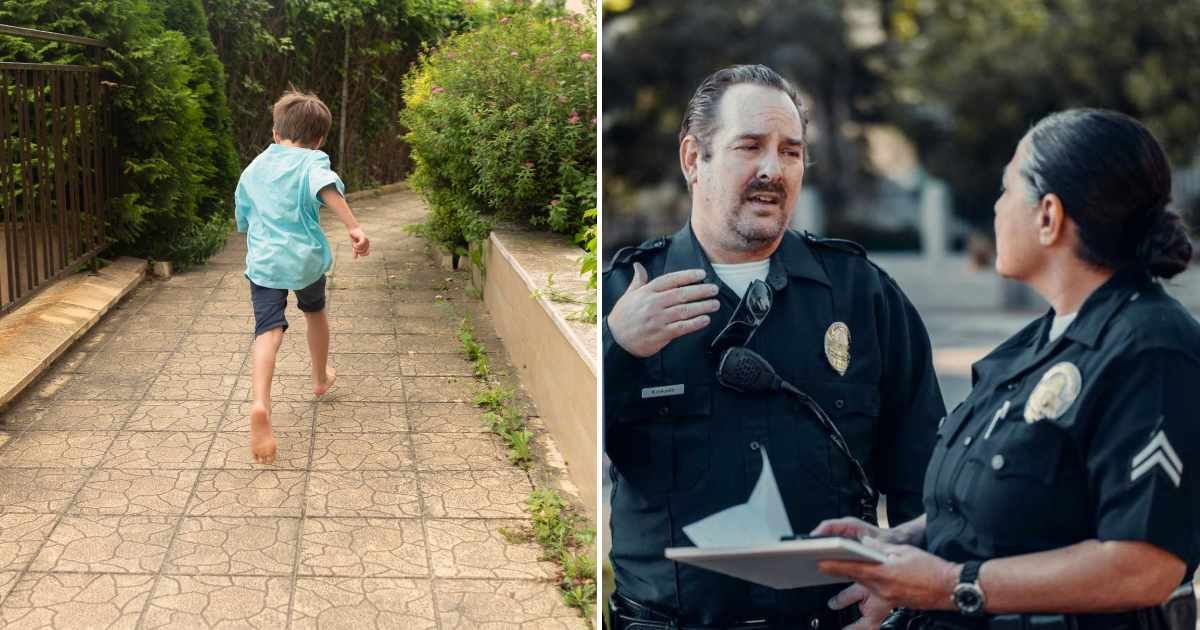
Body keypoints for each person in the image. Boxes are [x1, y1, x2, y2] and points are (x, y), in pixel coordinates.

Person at [816, 109, 1199, 630]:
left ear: (1048, 216)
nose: (995, 211)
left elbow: (1143, 565)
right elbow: (1016, 507)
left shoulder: (1150, 348)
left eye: (1005, 190)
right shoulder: (1031, 348)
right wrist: (900, 544)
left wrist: (953, 586)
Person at [603, 64, 946, 629]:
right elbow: (567, 443)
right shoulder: (627, 295)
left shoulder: (862, 294)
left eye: (791, 151)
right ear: (694, 159)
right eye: (750, 147)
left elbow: (927, 473)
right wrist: (618, 346)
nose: (773, 169)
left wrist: (904, 588)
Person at [235, 90, 370, 464]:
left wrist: (253, 227)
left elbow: (243, 216)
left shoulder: (255, 167)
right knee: (314, 311)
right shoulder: (313, 162)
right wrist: (354, 228)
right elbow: (326, 188)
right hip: (304, 261)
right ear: (319, 139)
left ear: (276, 133)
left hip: (265, 263)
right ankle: (319, 377)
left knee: (268, 331)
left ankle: (261, 402)